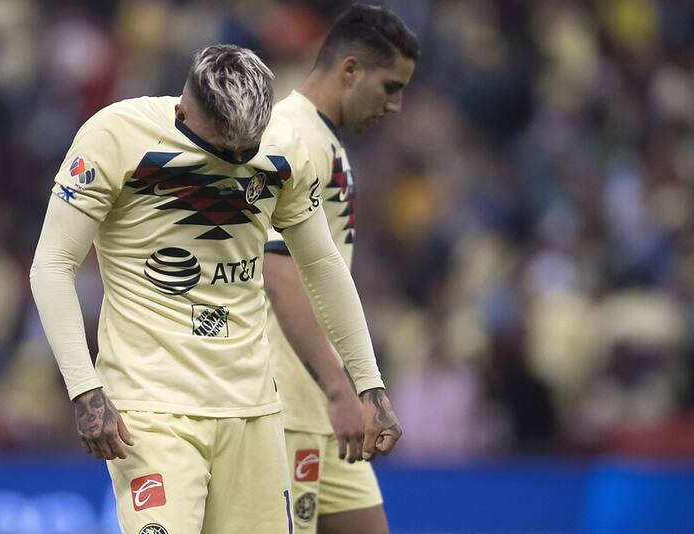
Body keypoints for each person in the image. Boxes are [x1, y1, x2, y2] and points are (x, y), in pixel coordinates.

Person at [30, 44, 400, 534]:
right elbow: (52, 265)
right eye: (221, 148)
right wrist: (84, 389)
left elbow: (322, 264)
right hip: (151, 408)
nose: (235, 160)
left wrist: (368, 382)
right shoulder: (115, 136)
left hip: (253, 408)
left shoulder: (283, 146)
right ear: (184, 110)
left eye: (246, 149)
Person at [263, 5, 418, 533]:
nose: (395, 106)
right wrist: (338, 388)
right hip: (290, 401)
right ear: (350, 69)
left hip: (326, 402)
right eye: (389, 87)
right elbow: (277, 271)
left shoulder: (326, 139)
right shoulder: (291, 136)